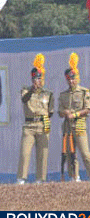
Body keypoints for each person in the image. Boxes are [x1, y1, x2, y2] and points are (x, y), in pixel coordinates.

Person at [57, 61, 90, 181]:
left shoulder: (84, 91)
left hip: (79, 124)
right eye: (69, 79)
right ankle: (74, 176)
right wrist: (65, 112)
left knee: (85, 152)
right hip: (67, 127)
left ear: (77, 78)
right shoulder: (63, 95)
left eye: (73, 78)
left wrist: (75, 114)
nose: (71, 81)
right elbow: (59, 112)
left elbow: (88, 109)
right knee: (70, 153)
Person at [17, 56, 53, 185]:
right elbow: (24, 99)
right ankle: (21, 178)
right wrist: (32, 89)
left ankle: (40, 179)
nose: (37, 81)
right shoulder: (26, 90)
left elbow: (51, 111)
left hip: (42, 125)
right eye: (35, 79)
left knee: (43, 153)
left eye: (39, 78)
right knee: (25, 153)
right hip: (29, 126)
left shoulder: (48, 93)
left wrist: (45, 120)